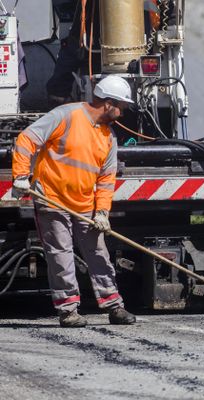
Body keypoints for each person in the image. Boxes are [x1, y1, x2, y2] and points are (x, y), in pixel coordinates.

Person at [11, 75, 137, 327]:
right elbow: (26, 139)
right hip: (51, 199)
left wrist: (102, 212)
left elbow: (105, 180)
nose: (121, 114)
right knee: (61, 255)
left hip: (85, 206)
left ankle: (113, 305)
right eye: (120, 107)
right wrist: (21, 176)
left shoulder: (108, 138)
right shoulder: (66, 116)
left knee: (99, 253)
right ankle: (68, 310)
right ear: (108, 103)